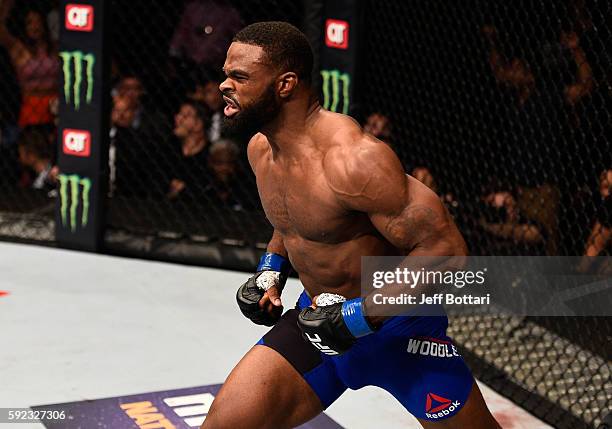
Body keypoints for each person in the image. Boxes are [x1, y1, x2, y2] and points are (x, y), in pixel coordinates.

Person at [202, 22, 500, 429]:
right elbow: (292, 222)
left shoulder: (353, 160)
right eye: (226, 74)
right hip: (318, 326)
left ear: (285, 84)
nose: (224, 85)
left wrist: (360, 316)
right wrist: (270, 271)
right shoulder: (261, 151)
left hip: (401, 333)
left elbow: (446, 252)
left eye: (239, 76)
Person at [0, 0, 59, 127]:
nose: (35, 26)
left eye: (38, 22)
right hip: (31, 106)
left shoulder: (54, 47)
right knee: (32, 143)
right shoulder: (19, 49)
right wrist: (6, 6)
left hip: (56, 105)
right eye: (30, 23)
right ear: (24, 27)